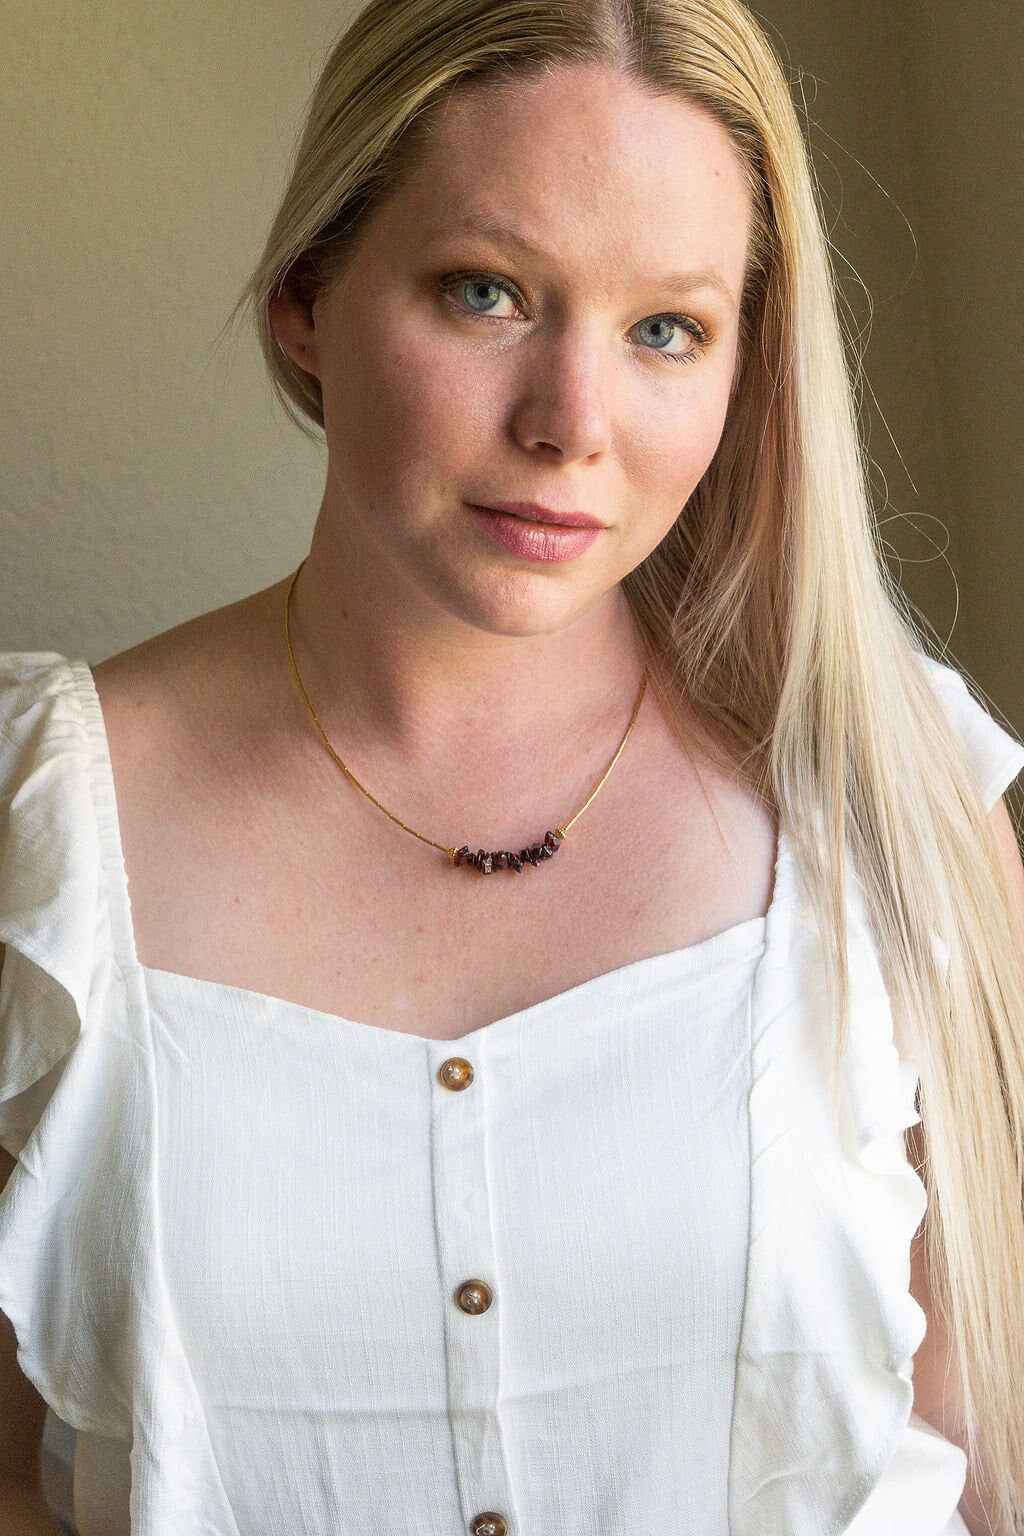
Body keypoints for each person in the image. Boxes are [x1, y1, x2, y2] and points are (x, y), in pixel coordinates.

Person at [1, 0, 1022, 1532]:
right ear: (306, 301)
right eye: (487, 293)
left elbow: (995, 1462)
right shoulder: (44, 829)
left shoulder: (892, 791)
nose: (574, 423)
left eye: (666, 328)